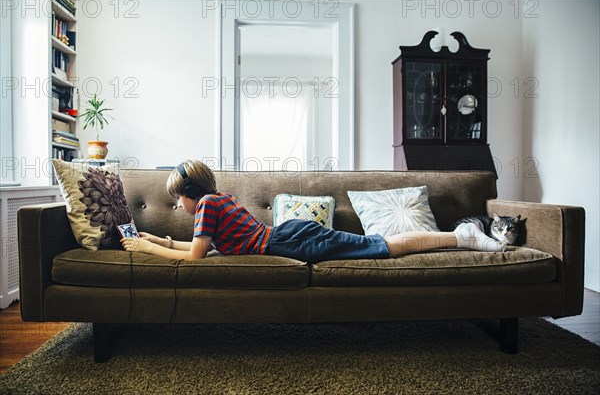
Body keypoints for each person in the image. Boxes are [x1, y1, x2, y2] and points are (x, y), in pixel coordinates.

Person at [121, 160, 506, 261]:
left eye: (179, 198)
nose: (179, 205)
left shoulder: (206, 204)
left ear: (191, 192)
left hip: (290, 242)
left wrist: (148, 249)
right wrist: (155, 238)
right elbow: (197, 249)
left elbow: (194, 258)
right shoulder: (216, 201)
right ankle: (461, 237)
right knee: (378, 245)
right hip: (289, 236)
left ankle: (461, 236)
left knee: (381, 248)